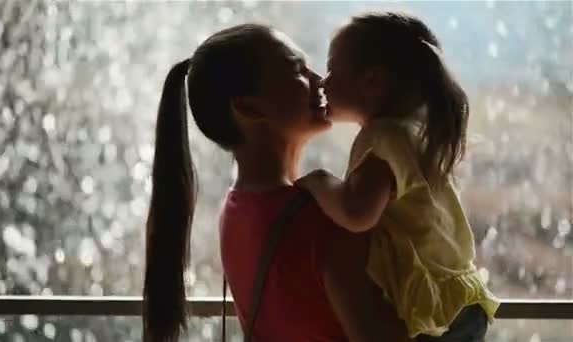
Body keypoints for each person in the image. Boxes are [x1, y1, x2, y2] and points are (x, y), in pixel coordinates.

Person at [143, 23, 411, 341]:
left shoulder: (233, 211)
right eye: (297, 70)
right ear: (248, 107)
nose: (320, 81)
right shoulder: (323, 220)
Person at [296, 12, 500, 341]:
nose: (323, 81)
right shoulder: (417, 133)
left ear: (373, 81)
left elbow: (357, 213)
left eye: (333, 69)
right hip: (460, 299)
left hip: (430, 312)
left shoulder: (384, 138)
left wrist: (319, 181)